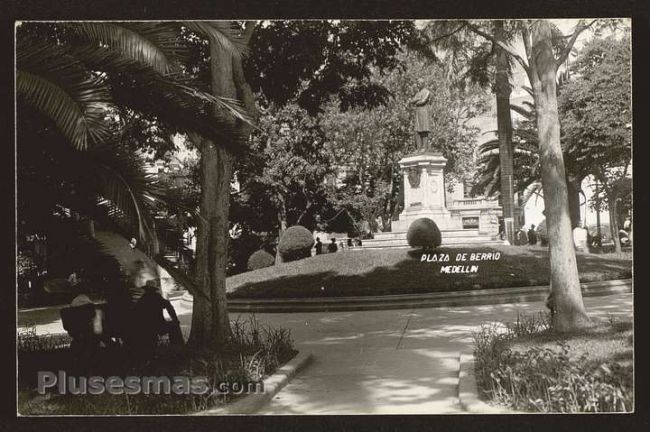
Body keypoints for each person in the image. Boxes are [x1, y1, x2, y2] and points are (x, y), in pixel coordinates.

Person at [133, 280, 183, 350]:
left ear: (146, 289)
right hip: (159, 326)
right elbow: (169, 307)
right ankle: (178, 347)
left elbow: (135, 313)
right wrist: (175, 320)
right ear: (154, 290)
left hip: (145, 328)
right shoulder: (157, 297)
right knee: (174, 326)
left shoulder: (142, 300)